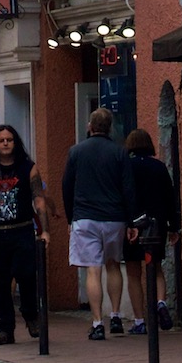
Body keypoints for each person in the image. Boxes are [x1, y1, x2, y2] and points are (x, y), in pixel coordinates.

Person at [61, 107, 137, 341]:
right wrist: (132, 220)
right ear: (110, 127)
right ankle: (115, 316)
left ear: (89, 126)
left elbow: (67, 186)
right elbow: (128, 188)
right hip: (114, 217)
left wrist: (70, 217)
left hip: (85, 216)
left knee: (93, 270)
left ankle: (96, 322)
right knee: (113, 265)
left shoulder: (76, 152)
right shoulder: (119, 152)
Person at [0, 126, 46, 343]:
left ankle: (30, 315)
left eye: (9, 140)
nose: (5, 143)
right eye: (1, 140)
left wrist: (45, 231)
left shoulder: (28, 168)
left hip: (22, 229)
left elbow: (39, 200)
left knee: (26, 274)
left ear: (15, 143)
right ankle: (4, 328)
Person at [123, 129, 180, 335]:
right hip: (157, 224)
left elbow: (123, 195)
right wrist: (174, 227)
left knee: (133, 273)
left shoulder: (127, 166)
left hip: (133, 225)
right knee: (155, 266)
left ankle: (139, 320)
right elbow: (170, 197)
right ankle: (161, 302)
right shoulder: (159, 167)